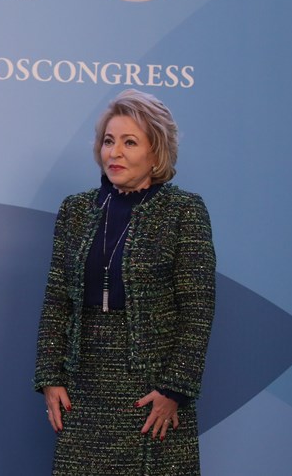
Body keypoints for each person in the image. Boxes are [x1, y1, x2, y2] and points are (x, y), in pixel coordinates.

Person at [34, 89, 216, 475]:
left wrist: (175, 389)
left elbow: (197, 311)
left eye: (129, 142)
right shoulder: (75, 210)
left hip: (152, 391)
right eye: (108, 141)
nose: (114, 152)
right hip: (83, 387)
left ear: (157, 153)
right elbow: (56, 300)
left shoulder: (183, 211)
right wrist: (51, 377)